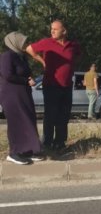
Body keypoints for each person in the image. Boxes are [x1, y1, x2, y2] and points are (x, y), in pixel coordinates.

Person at [26, 20, 81, 152]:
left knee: (64, 115)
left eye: (55, 29)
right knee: (51, 115)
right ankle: (47, 143)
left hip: (67, 85)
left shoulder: (73, 45)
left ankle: (60, 142)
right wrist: (42, 61)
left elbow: (78, 56)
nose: (52, 31)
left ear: (64, 31)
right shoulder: (47, 42)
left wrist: (70, 67)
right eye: (51, 29)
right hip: (51, 85)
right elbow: (29, 49)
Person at [0, 32, 44, 164]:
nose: (25, 44)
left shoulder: (21, 56)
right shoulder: (7, 56)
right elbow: (7, 75)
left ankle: (28, 150)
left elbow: (25, 72)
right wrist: (26, 80)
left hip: (23, 93)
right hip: (11, 95)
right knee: (17, 122)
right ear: (15, 42)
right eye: (23, 41)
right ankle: (15, 153)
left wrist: (30, 77)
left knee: (28, 119)